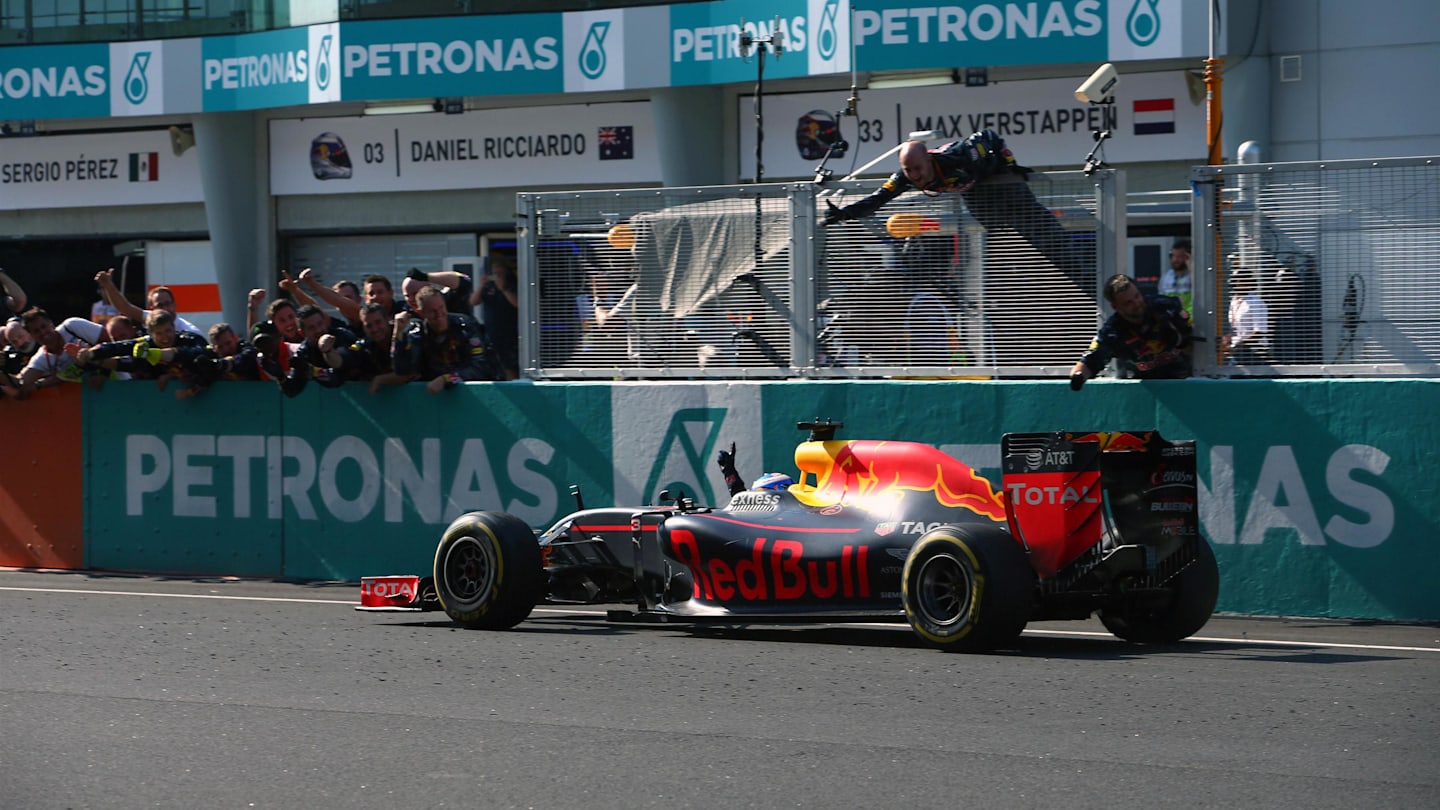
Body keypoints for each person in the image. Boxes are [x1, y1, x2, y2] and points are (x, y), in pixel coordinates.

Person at [821, 129, 1090, 283]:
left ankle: (1081, 270)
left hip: (1000, 184)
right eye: (908, 170)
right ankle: (1029, 276)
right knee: (1004, 241)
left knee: (1043, 231)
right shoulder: (905, 176)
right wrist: (845, 213)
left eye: (918, 168)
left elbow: (991, 137)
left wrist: (1010, 164)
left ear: (928, 159)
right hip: (974, 196)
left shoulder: (957, 156)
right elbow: (878, 199)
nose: (915, 175)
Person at [1069, 274, 1193, 389]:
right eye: (1128, 303)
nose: (1137, 303)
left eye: (1137, 296)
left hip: (1181, 380)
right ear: (1116, 307)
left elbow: (1188, 315)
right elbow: (1090, 361)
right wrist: (1078, 377)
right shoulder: (1113, 332)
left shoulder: (1162, 306)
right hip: (1141, 388)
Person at [375, 284, 493, 395]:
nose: (439, 314)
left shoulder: (464, 326)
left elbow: (479, 366)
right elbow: (403, 371)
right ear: (421, 313)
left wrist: (447, 379)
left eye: (441, 308)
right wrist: (398, 334)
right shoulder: (417, 332)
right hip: (433, 398)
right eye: (432, 311)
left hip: (473, 394)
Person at [95, 268, 204, 337]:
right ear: (152, 309)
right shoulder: (151, 318)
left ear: (174, 305)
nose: (165, 309)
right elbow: (124, 307)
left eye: (168, 303)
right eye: (160, 305)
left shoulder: (190, 331)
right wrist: (108, 286)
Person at [470, 256, 520, 380]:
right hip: (491, 332)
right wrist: (481, 285)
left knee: (509, 364)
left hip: (509, 332)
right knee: (492, 362)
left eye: (500, 272)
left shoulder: (513, 283)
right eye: (494, 272)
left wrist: (503, 289)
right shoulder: (488, 286)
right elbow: (473, 301)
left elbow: (518, 304)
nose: (497, 275)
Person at [1223, 270, 1271, 365]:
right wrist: (1227, 339)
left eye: (1244, 280)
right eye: (1238, 280)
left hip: (1254, 353)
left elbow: (1260, 332)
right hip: (1239, 352)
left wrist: (1238, 346)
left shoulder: (1256, 302)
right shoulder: (1234, 301)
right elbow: (1238, 329)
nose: (1241, 283)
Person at [1159, 238, 1193, 317]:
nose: (1175, 260)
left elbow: (1199, 291)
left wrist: (1191, 267)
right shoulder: (1166, 277)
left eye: (1179, 257)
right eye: (1173, 256)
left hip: (1190, 319)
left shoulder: (1192, 275)